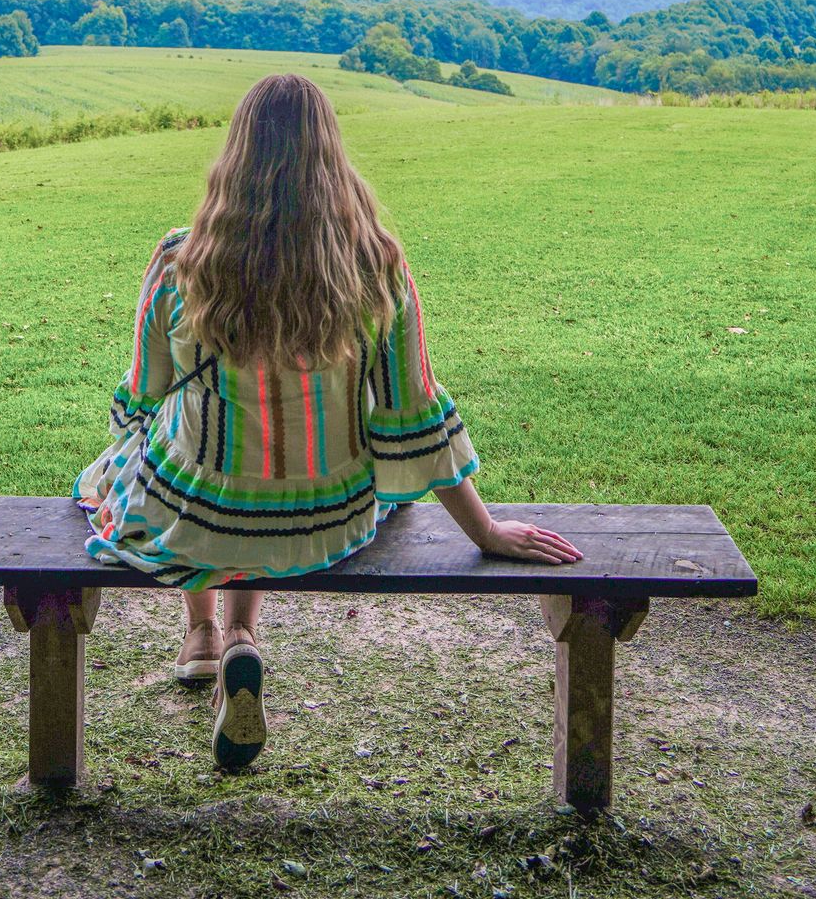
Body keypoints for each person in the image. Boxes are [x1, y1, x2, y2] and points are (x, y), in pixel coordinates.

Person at [73, 73, 581, 770]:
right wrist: (485, 530)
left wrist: (142, 423)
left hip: (200, 516)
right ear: (330, 155)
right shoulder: (377, 266)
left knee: (148, 465)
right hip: (325, 521)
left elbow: (143, 391)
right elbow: (413, 418)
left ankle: (200, 636)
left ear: (237, 155)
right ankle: (242, 637)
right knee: (247, 482)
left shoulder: (178, 260)